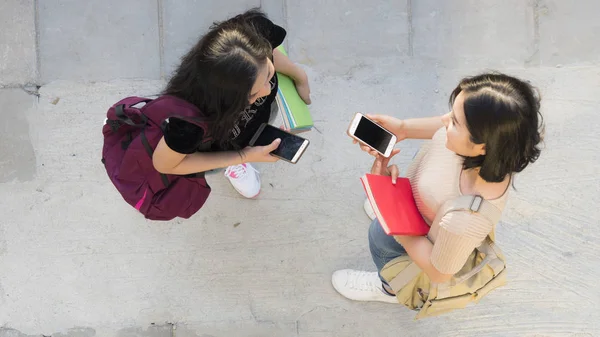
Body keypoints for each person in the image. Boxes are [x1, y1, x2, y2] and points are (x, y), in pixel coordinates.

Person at [331, 73, 543, 303]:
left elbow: (438, 272)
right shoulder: (489, 147)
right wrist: (403, 128)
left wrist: (393, 219)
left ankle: (390, 287)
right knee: (380, 228)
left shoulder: (465, 219)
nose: (443, 119)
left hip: (415, 234)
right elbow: (442, 127)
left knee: (381, 238)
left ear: (482, 144)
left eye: (454, 122)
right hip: (415, 207)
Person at [153, 9, 311, 198]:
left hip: (248, 126)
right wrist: (243, 156)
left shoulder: (254, 31)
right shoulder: (188, 124)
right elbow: (164, 164)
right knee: (222, 161)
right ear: (225, 100)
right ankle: (233, 165)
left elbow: (270, 53)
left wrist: (298, 75)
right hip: (217, 148)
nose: (267, 91)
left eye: (269, 73)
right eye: (253, 93)